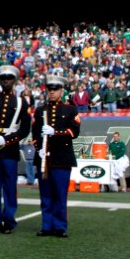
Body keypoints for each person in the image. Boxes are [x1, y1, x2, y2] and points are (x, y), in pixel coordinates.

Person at [0, 65, 31, 234]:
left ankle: (9, 221)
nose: (6, 81)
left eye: (9, 78)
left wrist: (8, 139)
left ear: (15, 81)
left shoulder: (21, 102)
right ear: (0, 81)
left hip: (10, 149)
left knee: (10, 186)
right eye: (3, 79)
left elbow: (25, 129)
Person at [32, 75, 80, 237]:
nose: (52, 92)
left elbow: (74, 132)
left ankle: (60, 226)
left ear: (61, 91)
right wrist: (38, 147)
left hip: (61, 158)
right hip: (44, 158)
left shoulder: (70, 109)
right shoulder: (40, 110)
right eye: (50, 90)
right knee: (45, 194)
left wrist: (56, 132)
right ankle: (46, 225)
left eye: (55, 90)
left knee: (60, 194)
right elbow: (35, 133)